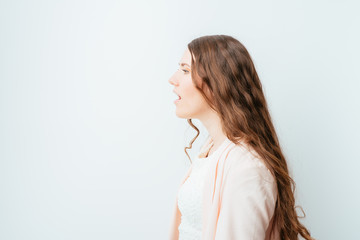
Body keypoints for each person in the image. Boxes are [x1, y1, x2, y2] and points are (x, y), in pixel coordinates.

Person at [167, 35, 315, 240]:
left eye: (185, 70)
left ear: (217, 82)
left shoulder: (248, 167)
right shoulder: (211, 149)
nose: (172, 79)